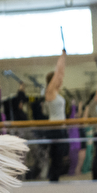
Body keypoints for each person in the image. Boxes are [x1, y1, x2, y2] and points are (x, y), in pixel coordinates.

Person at [43, 51, 68, 182]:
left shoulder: (57, 93)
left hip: (61, 130)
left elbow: (61, 72)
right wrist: (62, 56)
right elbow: (58, 72)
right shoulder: (50, 92)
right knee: (56, 160)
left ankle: (55, 181)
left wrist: (64, 58)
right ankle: (53, 182)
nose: (61, 80)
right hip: (55, 130)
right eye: (57, 79)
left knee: (60, 159)